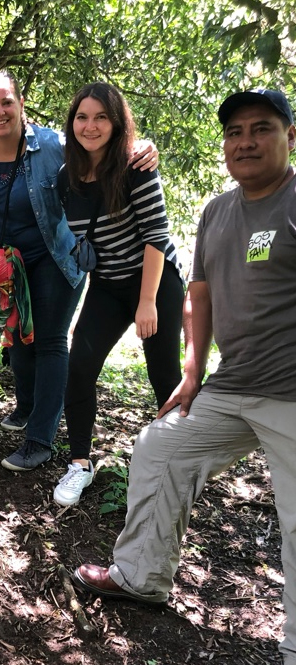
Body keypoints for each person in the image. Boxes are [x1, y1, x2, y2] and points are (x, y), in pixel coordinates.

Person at [73, 89, 296, 665]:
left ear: (290, 137)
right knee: (157, 450)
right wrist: (193, 369)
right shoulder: (218, 211)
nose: (244, 141)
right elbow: (198, 294)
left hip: (291, 395)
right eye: (235, 132)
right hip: (232, 387)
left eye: (261, 128)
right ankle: (141, 576)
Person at [0, 70, 157, 471]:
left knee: (50, 340)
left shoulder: (54, 144)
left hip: (56, 255)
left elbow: (101, 144)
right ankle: (28, 408)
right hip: (10, 264)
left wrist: (141, 148)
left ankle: (40, 439)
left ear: (21, 103)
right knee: (17, 338)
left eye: (6, 102)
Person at [53, 82, 184, 507]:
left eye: (101, 117)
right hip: (107, 284)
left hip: (154, 280)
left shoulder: (136, 167)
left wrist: (147, 302)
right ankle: (79, 464)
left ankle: (178, 467)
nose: (90, 126)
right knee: (80, 365)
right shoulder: (66, 177)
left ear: (117, 122)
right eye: (82, 117)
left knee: (163, 374)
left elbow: (156, 236)